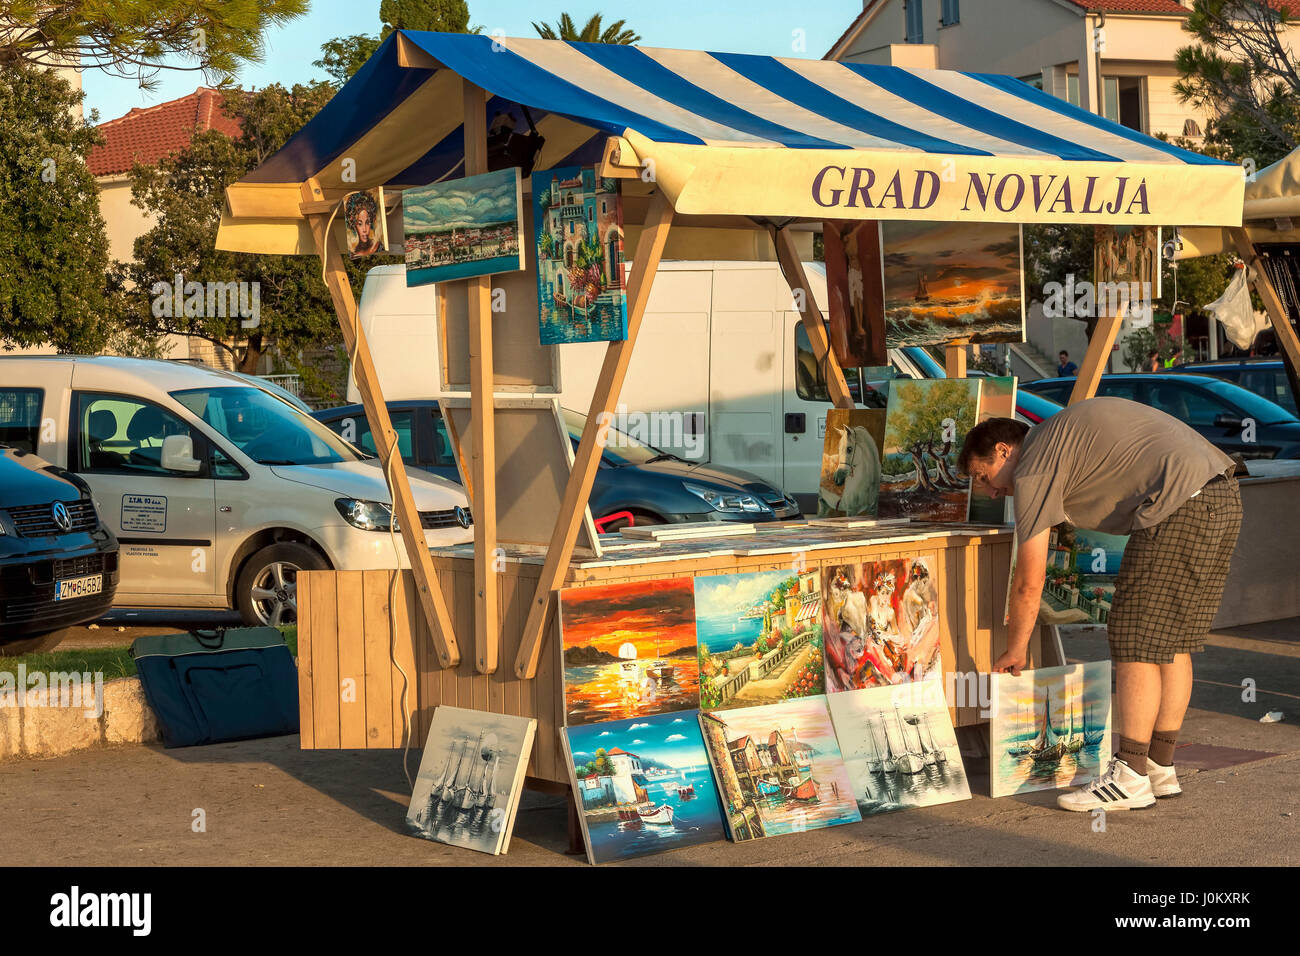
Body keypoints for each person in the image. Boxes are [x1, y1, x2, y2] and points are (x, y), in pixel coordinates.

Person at [958, 399, 1241, 812]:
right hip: (1223, 493)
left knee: (1134, 641)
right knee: (1172, 642)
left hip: (1179, 504)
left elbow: (1029, 579)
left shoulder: (1034, 463)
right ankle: (1159, 767)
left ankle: (1129, 775)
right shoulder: (1060, 436)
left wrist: (1016, 648)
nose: (989, 490)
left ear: (1004, 450)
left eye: (983, 477)